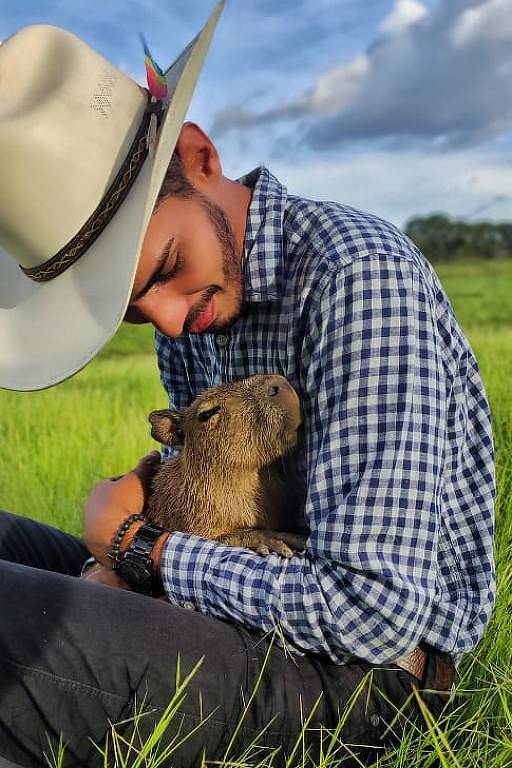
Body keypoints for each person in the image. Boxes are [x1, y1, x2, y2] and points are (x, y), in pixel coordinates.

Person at [0, 8, 496, 768]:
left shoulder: (357, 279)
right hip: (229, 610)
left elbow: (375, 616)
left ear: (198, 156)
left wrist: (138, 549)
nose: (168, 323)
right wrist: (139, 518)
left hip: (360, 681)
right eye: (133, 311)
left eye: (164, 268)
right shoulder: (194, 320)